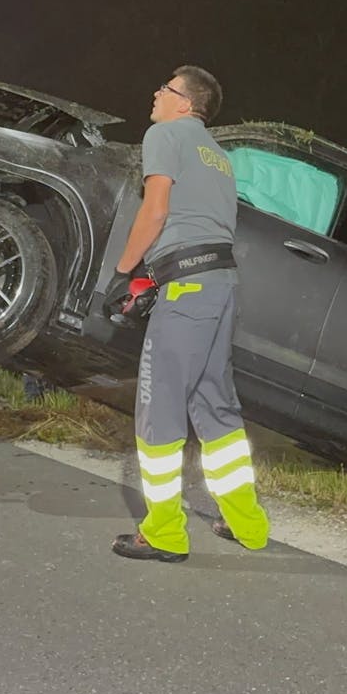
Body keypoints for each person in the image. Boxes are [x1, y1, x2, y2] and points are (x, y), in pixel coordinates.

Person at [106, 66, 270, 563]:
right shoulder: (219, 157)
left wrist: (123, 270)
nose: (156, 92)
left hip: (188, 288)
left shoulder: (164, 134)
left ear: (185, 104)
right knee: (215, 406)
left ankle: (164, 533)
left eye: (166, 88)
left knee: (159, 407)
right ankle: (249, 525)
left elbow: (155, 211)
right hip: (221, 286)